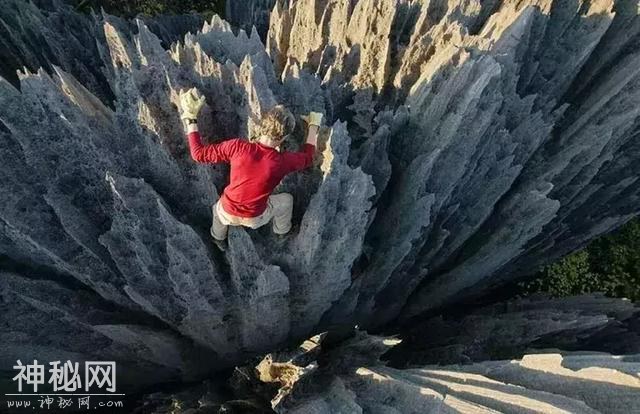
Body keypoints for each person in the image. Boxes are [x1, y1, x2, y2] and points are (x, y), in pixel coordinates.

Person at [179, 87, 322, 241]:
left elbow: (198, 154)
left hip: (227, 211)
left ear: (262, 125)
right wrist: (314, 125)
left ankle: (218, 239)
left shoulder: (237, 147)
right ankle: (282, 232)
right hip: (255, 218)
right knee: (287, 200)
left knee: (217, 212)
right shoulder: (282, 162)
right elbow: (307, 158)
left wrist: (190, 118)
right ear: (284, 138)